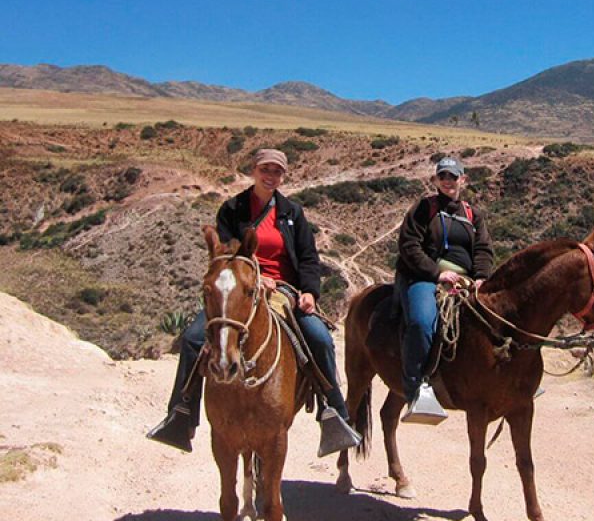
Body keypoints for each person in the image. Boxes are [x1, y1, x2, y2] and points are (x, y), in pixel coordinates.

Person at [147, 148, 359, 455]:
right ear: (254, 170)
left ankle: (334, 414)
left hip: (283, 289)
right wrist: (254, 277)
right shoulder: (232, 209)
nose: (271, 176)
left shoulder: (292, 213)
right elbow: (225, 252)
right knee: (194, 338)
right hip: (238, 288)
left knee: (319, 338)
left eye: (277, 171)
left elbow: (309, 257)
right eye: (265, 170)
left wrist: (310, 291)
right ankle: (181, 415)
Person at [395, 156, 494, 423]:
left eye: (453, 177)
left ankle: (511, 379)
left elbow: (483, 250)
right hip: (425, 277)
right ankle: (416, 387)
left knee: (500, 317)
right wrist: (438, 273)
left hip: (466, 281)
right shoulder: (423, 209)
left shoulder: (473, 215)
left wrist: (482, 277)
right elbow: (409, 246)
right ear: (436, 180)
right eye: (443, 177)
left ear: (463, 180)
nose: (448, 181)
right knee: (421, 321)